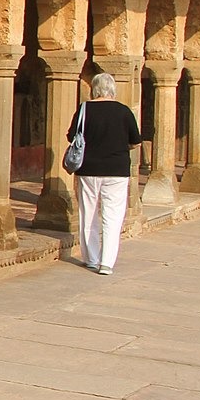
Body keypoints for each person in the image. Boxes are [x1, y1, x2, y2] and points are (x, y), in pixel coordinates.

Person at [67, 71, 143, 274]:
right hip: (116, 170)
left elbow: (72, 136)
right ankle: (107, 262)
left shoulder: (84, 109)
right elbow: (135, 141)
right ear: (112, 89)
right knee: (112, 216)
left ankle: (91, 258)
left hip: (88, 169)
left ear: (94, 89)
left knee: (88, 213)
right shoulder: (123, 111)